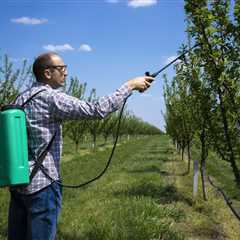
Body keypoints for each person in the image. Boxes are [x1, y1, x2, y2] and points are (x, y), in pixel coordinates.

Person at [8, 52, 154, 240]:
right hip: (43, 186)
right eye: (62, 68)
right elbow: (96, 110)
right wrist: (130, 85)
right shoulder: (51, 98)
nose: (66, 73)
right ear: (47, 73)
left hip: (20, 183)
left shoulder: (20, 99)